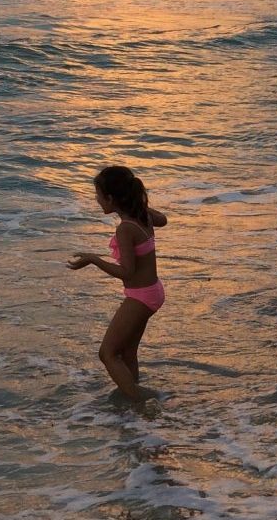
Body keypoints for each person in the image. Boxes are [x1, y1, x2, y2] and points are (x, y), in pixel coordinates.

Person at [67, 165, 168, 400]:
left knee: (108, 353)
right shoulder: (141, 215)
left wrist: (93, 260)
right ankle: (132, 405)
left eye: (99, 196)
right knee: (127, 351)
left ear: (111, 199)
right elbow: (162, 220)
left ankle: (141, 401)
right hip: (152, 291)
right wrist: (138, 204)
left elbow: (127, 272)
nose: (97, 200)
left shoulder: (125, 228)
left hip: (141, 295)